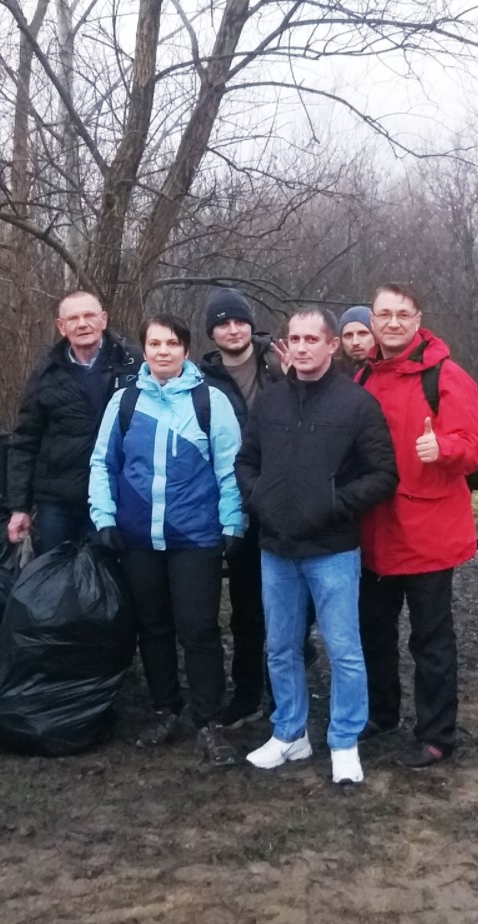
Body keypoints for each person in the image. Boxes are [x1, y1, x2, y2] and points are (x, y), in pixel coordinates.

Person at [236, 308, 398, 784]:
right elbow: (246, 461)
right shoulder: (269, 403)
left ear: (332, 346)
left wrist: (333, 503)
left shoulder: (356, 405)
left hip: (332, 548)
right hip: (276, 548)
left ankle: (344, 741)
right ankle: (289, 733)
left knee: (344, 648)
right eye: (295, 338)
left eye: (313, 339)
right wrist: (260, 498)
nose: (302, 347)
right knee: (281, 647)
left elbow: (383, 474)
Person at [89, 313, 244, 767]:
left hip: (195, 537)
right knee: (152, 628)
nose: (162, 351)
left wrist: (234, 524)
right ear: (144, 349)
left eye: (172, 343)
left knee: (198, 630)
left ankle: (210, 722)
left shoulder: (210, 401)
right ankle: (165, 708)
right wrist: (105, 517)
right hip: (137, 539)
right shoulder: (124, 401)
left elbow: (230, 468)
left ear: (186, 349)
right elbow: (102, 463)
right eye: (154, 343)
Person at [356, 282, 478, 769]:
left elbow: (474, 446)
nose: (392, 322)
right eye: (384, 313)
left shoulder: (447, 376)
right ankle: (380, 713)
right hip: (375, 531)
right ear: (372, 319)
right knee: (374, 631)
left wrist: (444, 449)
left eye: (402, 314)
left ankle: (436, 735)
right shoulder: (364, 375)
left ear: (418, 319)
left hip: (428, 533)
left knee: (431, 640)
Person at [199, 287, 283, 729]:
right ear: (211, 332)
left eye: (239, 320)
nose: (233, 329)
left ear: (251, 324)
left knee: (289, 603)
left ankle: (284, 689)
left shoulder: (279, 362)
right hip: (235, 502)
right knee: (247, 606)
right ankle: (247, 692)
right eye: (223, 322)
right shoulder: (200, 379)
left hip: (286, 499)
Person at [7, 292, 141, 557]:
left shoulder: (134, 363)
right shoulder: (46, 374)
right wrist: (19, 507)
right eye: (74, 318)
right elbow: (25, 441)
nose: (82, 324)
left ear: (103, 320)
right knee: (55, 580)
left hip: (118, 496)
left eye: (89, 315)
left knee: (108, 579)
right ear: (61, 326)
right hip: (58, 501)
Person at [337, 305, 375, 376]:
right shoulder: (329, 373)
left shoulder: (388, 371)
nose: (355, 342)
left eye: (362, 333)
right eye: (348, 335)